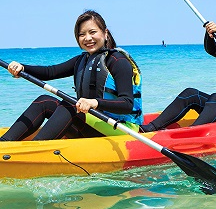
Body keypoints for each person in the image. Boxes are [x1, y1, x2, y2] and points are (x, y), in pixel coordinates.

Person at [0, 10, 143, 141]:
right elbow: (50, 71)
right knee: (45, 102)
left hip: (120, 129)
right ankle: (4, 144)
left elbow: (127, 104)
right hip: (94, 123)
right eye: (82, 34)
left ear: (105, 33)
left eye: (92, 32)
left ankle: (33, 152)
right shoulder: (81, 60)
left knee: (70, 105)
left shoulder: (118, 61)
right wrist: (23, 68)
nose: (87, 38)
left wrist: (94, 102)